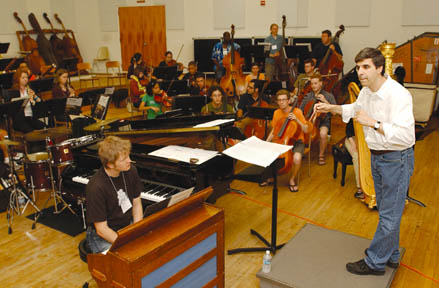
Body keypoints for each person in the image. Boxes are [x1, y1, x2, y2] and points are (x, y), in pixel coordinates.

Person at [315, 47, 415, 275]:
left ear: (380, 68)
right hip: (378, 157)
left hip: (396, 159)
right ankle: (392, 254)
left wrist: (374, 123)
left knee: (389, 213)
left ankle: (374, 262)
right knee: (388, 211)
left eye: (366, 67)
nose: (360, 72)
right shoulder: (367, 91)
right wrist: (332, 108)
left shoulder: (398, 95)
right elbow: (355, 109)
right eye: (358, 67)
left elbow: (407, 136)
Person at [86, 136, 143, 253]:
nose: (129, 160)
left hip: (127, 225)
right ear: (110, 164)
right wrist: (126, 243)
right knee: (127, 256)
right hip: (104, 235)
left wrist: (138, 230)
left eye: (128, 155)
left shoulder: (131, 170)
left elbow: (137, 204)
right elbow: (101, 229)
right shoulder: (96, 187)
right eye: (123, 159)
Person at [260, 89, 310, 192]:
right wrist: (266, 142)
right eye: (279, 100)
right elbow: (274, 130)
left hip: (297, 140)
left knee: (297, 158)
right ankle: (272, 176)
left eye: (284, 100)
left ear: (289, 101)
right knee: (270, 153)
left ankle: (292, 179)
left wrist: (296, 120)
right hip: (281, 139)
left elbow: (306, 129)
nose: (281, 102)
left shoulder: (297, 111)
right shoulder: (276, 113)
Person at [299, 72, 336, 165]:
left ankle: (321, 155)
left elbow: (334, 112)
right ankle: (301, 150)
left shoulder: (328, 95)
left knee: (323, 134)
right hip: (309, 121)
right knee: (300, 130)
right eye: (312, 83)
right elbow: (300, 110)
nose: (313, 86)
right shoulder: (308, 96)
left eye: (315, 83)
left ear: (321, 83)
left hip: (323, 121)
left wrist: (325, 101)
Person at [10, 69, 45, 133]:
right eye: (23, 78)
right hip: (20, 120)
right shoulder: (14, 92)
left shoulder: (29, 89)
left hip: (31, 118)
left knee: (44, 127)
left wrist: (34, 96)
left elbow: (40, 102)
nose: (26, 79)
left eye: (26, 77)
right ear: (18, 79)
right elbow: (13, 107)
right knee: (30, 131)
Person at [344, 119, 364, 199]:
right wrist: (353, 145)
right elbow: (348, 132)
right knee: (356, 156)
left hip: (365, 139)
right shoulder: (354, 114)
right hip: (352, 138)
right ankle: (360, 187)